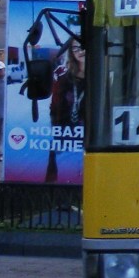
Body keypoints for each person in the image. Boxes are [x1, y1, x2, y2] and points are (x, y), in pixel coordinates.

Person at [45, 38, 85, 182]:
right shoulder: (63, 80)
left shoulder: (102, 79)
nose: (80, 51)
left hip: (91, 143)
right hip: (65, 141)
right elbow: (54, 109)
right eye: (75, 48)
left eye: (83, 46)